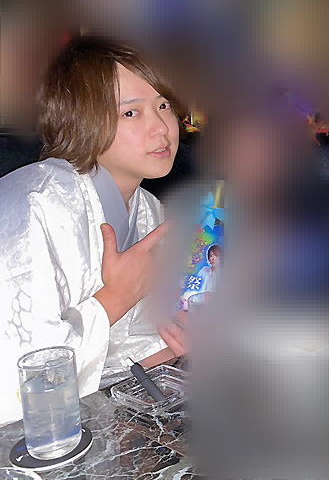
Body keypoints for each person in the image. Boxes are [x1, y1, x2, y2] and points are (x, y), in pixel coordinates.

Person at [0, 36, 188, 425]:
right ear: (80, 119)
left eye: (164, 105)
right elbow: (19, 386)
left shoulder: (148, 210)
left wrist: (178, 345)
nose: (161, 128)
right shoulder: (35, 202)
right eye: (131, 113)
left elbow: (118, 360)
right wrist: (115, 297)